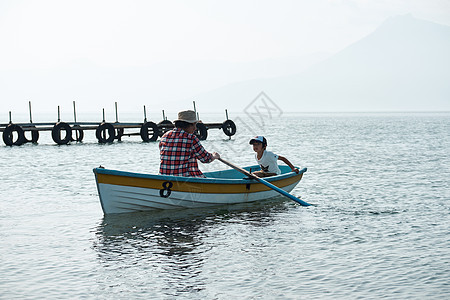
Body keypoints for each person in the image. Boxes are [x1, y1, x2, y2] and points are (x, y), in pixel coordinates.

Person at [159, 110, 220, 177]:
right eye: (194, 125)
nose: (195, 128)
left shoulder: (164, 136)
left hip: (163, 177)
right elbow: (205, 158)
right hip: (185, 178)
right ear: (187, 125)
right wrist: (214, 156)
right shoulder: (191, 139)